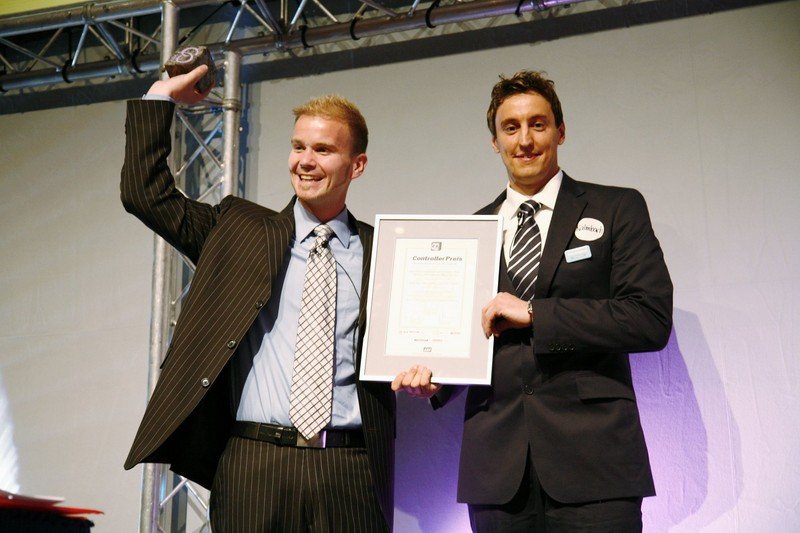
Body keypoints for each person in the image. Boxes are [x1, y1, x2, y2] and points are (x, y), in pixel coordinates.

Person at [393, 70, 673, 532]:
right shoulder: (469, 234)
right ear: (495, 142)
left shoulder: (616, 208)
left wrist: (536, 314)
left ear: (560, 131)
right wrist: (436, 380)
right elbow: (466, 339)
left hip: (596, 464)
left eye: (537, 124)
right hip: (497, 471)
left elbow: (649, 317)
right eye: (511, 127)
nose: (524, 140)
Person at [122, 65, 394, 532]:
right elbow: (145, 194)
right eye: (298, 146)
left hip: (349, 468)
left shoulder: (385, 251)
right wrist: (161, 97)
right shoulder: (238, 230)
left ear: (358, 165)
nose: (305, 161)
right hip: (254, 463)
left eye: (323, 150)